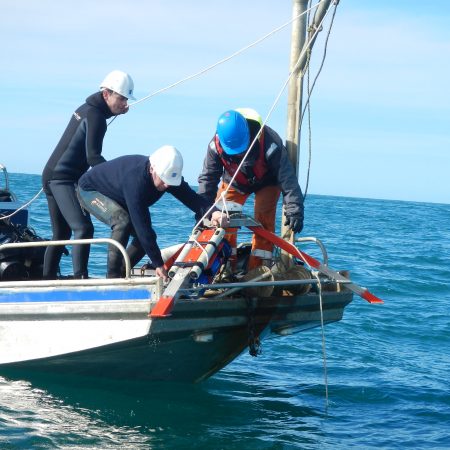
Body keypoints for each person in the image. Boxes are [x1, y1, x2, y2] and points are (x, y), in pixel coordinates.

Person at [77, 146, 226, 279]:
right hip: (90, 190)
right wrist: (158, 264)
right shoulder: (135, 181)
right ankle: (112, 278)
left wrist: (214, 212)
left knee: (148, 239)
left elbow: (192, 198)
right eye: (164, 180)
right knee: (122, 222)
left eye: (170, 181)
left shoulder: (167, 176)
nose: (167, 184)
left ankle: (122, 273)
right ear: (152, 169)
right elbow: (142, 226)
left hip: (119, 195)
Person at [41, 70, 135, 279]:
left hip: (52, 175)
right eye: (121, 98)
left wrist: (116, 111)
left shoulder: (88, 109)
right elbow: (93, 158)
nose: (124, 103)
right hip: (61, 179)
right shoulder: (96, 117)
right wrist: (116, 179)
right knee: (83, 229)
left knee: (61, 234)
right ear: (106, 94)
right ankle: (80, 279)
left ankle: (46, 280)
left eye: (126, 99)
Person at [197, 108, 304, 270]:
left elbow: (286, 177)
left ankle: (258, 271)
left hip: (267, 182)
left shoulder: (269, 142)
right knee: (220, 219)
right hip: (235, 182)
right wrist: (202, 213)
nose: (239, 154)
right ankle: (224, 268)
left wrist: (294, 209)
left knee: (264, 222)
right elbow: (208, 180)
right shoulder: (215, 146)